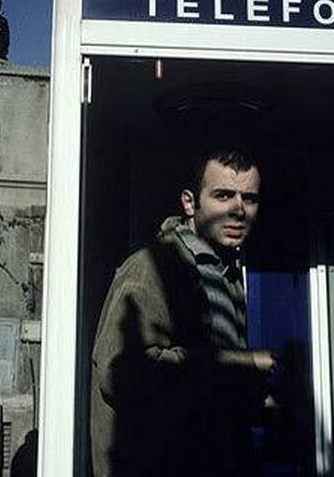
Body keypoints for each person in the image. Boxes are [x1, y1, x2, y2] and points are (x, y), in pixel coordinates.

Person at [90, 147, 278, 476]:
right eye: (223, 195)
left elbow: (210, 394)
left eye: (249, 199)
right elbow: (124, 374)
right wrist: (243, 363)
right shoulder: (151, 268)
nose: (239, 210)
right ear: (190, 203)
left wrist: (257, 398)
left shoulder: (226, 275)